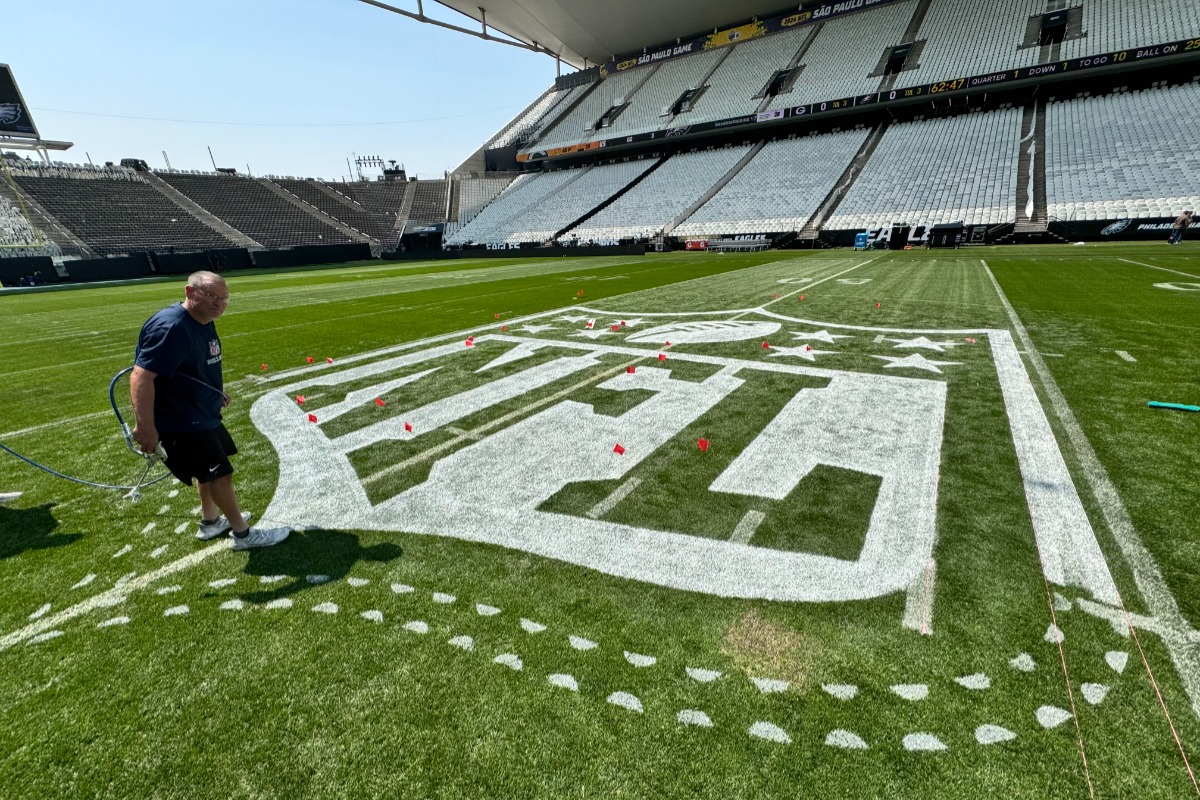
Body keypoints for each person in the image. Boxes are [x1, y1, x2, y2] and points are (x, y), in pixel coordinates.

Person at [131, 271, 288, 550]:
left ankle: (211, 520)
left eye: (224, 298)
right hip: (183, 419)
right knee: (219, 474)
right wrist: (145, 427)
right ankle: (243, 534)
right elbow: (141, 376)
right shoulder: (171, 327)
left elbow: (194, 368)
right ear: (190, 293)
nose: (220, 304)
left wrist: (216, 394)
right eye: (212, 297)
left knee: (208, 471)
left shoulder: (203, 319)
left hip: (201, 411)